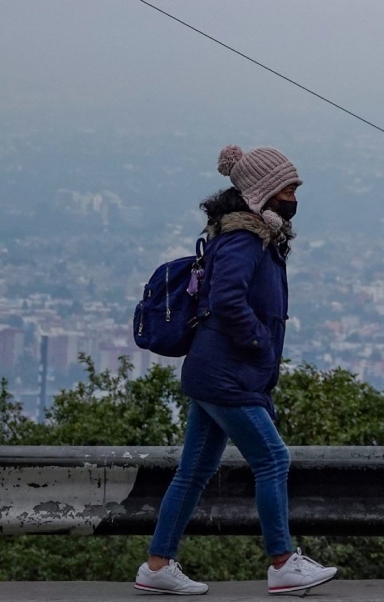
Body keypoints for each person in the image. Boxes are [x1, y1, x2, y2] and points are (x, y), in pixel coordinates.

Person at [135, 145, 337, 596]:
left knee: (193, 472)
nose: (294, 197)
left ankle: (157, 565)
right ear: (264, 191)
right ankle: (282, 562)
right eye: (287, 188)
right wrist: (257, 342)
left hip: (218, 371)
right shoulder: (245, 238)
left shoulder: (254, 236)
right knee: (272, 459)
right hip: (227, 371)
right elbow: (228, 300)